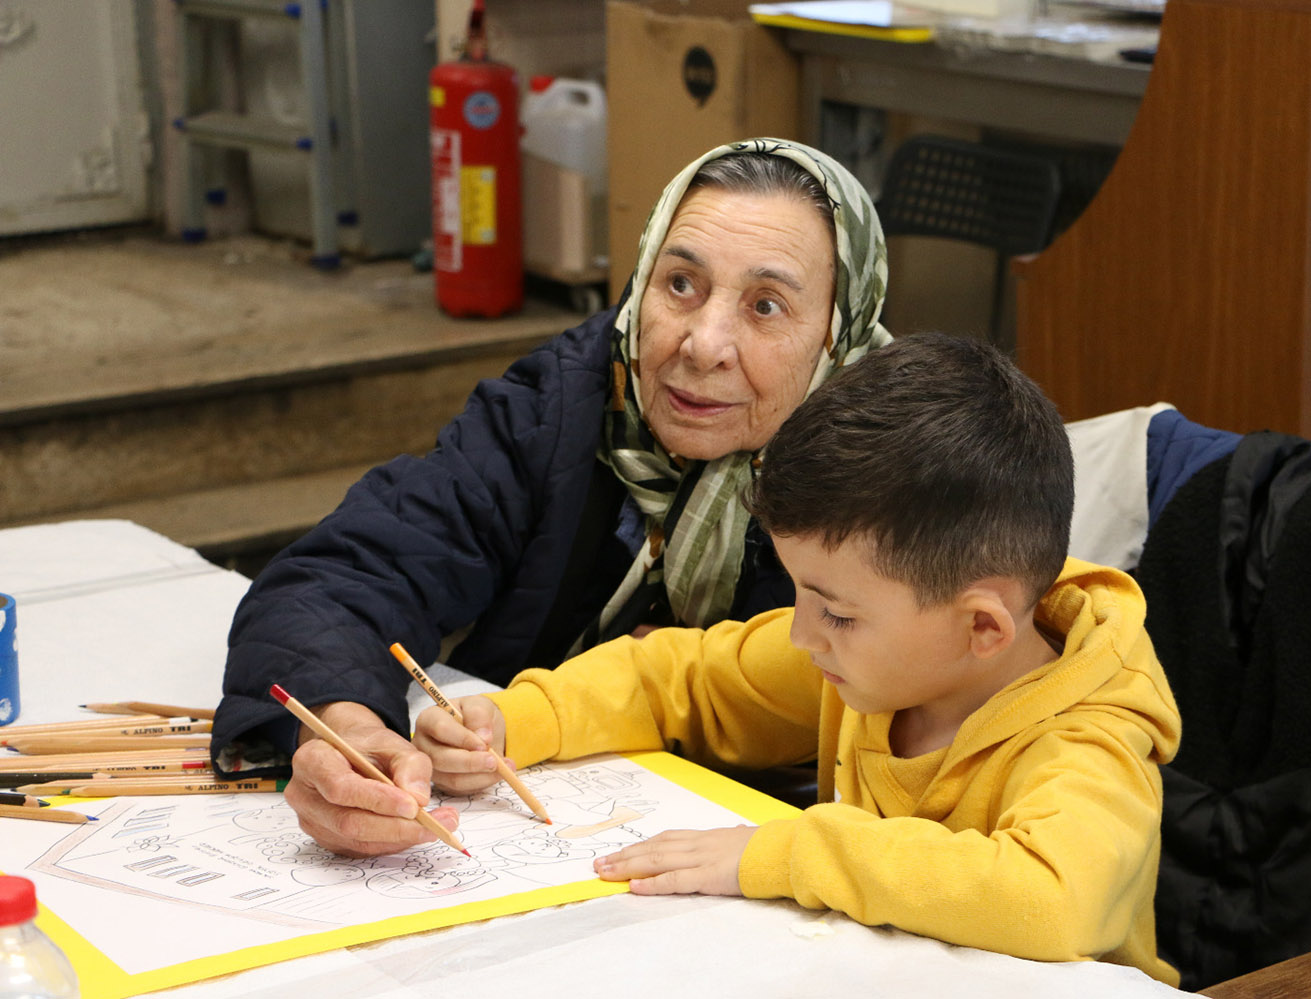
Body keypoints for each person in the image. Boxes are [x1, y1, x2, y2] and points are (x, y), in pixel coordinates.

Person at [416, 333, 1184, 983]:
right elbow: (682, 677)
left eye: (837, 612)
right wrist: (515, 719)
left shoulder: (1093, 736)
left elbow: (1045, 896)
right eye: (803, 596)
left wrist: (780, 851)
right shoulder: (876, 657)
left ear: (982, 627)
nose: (801, 634)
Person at [212, 138, 892, 857]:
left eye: (765, 305)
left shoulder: (897, 472)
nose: (703, 344)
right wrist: (344, 726)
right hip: (537, 843)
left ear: (836, 336)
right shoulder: (567, 404)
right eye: (681, 284)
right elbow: (344, 576)